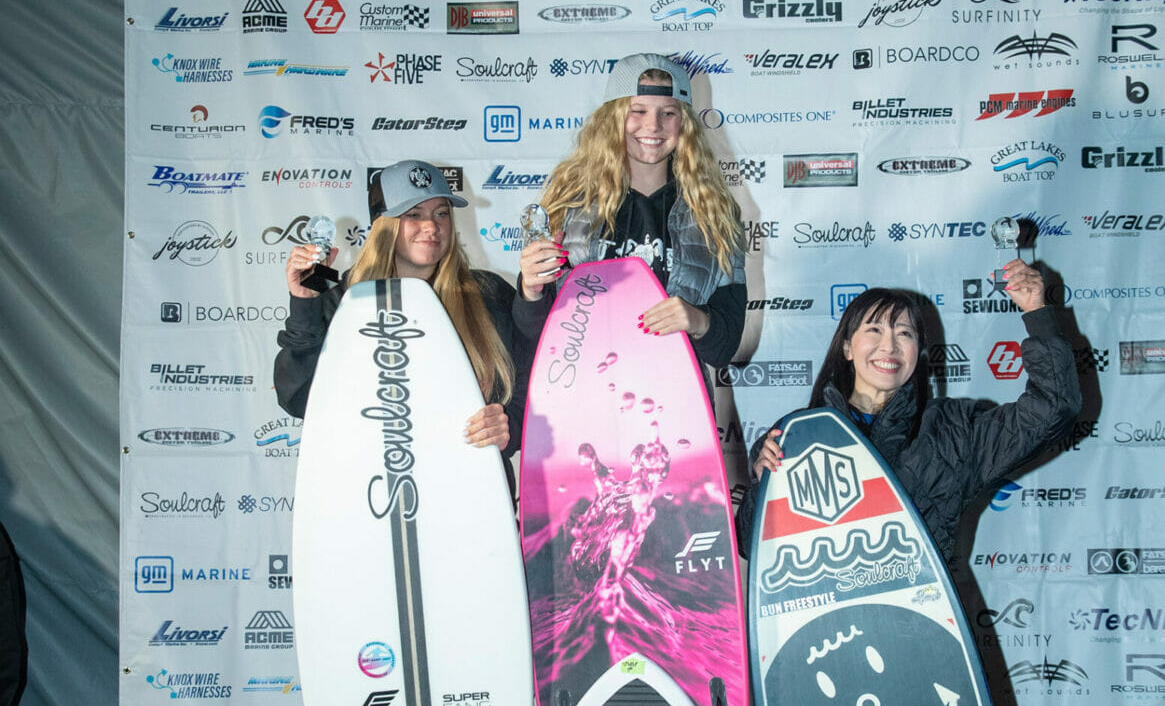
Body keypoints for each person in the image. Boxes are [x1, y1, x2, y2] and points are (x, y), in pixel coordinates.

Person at [737, 261, 1082, 564]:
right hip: (829, 625)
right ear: (846, 347)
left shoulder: (956, 430)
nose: (889, 346)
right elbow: (752, 545)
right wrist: (762, 485)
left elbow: (1052, 408)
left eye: (904, 333)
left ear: (918, 352)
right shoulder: (797, 433)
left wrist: (1037, 314)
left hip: (920, 624)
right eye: (874, 330)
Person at [273, 159, 528, 491]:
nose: (431, 227)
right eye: (414, 215)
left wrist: (510, 424)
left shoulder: (487, 294)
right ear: (383, 224)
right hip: (374, 494)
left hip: (473, 492)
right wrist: (305, 303)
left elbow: (531, 384)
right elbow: (297, 398)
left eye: (441, 213)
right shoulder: (344, 299)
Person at [516, 53, 746, 382]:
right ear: (613, 118)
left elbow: (726, 347)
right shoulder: (568, 204)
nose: (653, 125)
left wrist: (697, 320)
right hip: (582, 396)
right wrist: (530, 290)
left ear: (686, 124)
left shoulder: (715, 213)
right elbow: (532, 334)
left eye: (668, 113)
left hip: (677, 402)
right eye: (637, 111)